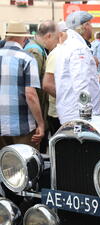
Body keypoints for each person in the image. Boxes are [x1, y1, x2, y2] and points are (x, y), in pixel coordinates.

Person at [0, 21, 45, 149]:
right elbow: (30, 95)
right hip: (22, 126)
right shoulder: (26, 58)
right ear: (24, 38)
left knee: (3, 167)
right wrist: (41, 124)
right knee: (26, 166)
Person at [55, 11, 100, 124]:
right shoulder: (78, 48)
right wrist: (86, 116)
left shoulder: (66, 46)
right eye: (90, 24)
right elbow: (81, 84)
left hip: (70, 113)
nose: (92, 27)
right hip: (79, 116)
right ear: (85, 26)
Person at [24, 20, 59, 152]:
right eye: (56, 38)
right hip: (35, 113)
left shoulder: (37, 49)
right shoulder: (35, 52)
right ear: (48, 36)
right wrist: (40, 120)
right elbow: (33, 88)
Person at [42, 21, 68, 136]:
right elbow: (47, 84)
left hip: (60, 112)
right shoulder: (57, 53)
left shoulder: (61, 51)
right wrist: (66, 99)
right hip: (58, 113)